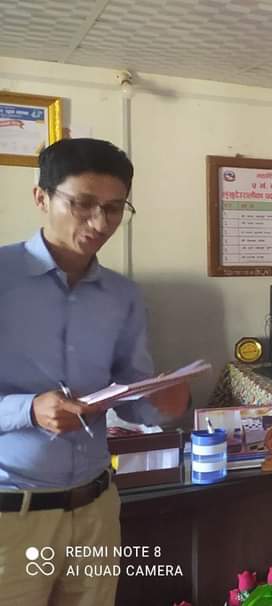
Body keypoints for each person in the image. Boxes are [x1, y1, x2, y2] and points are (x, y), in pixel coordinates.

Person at [0, 138, 190, 605]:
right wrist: (29, 409)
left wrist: (162, 402)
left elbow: (131, 392)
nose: (100, 222)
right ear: (41, 197)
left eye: (114, 208)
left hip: (95, 509)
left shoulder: (123, 295)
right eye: (83, 204)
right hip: (12, 515)